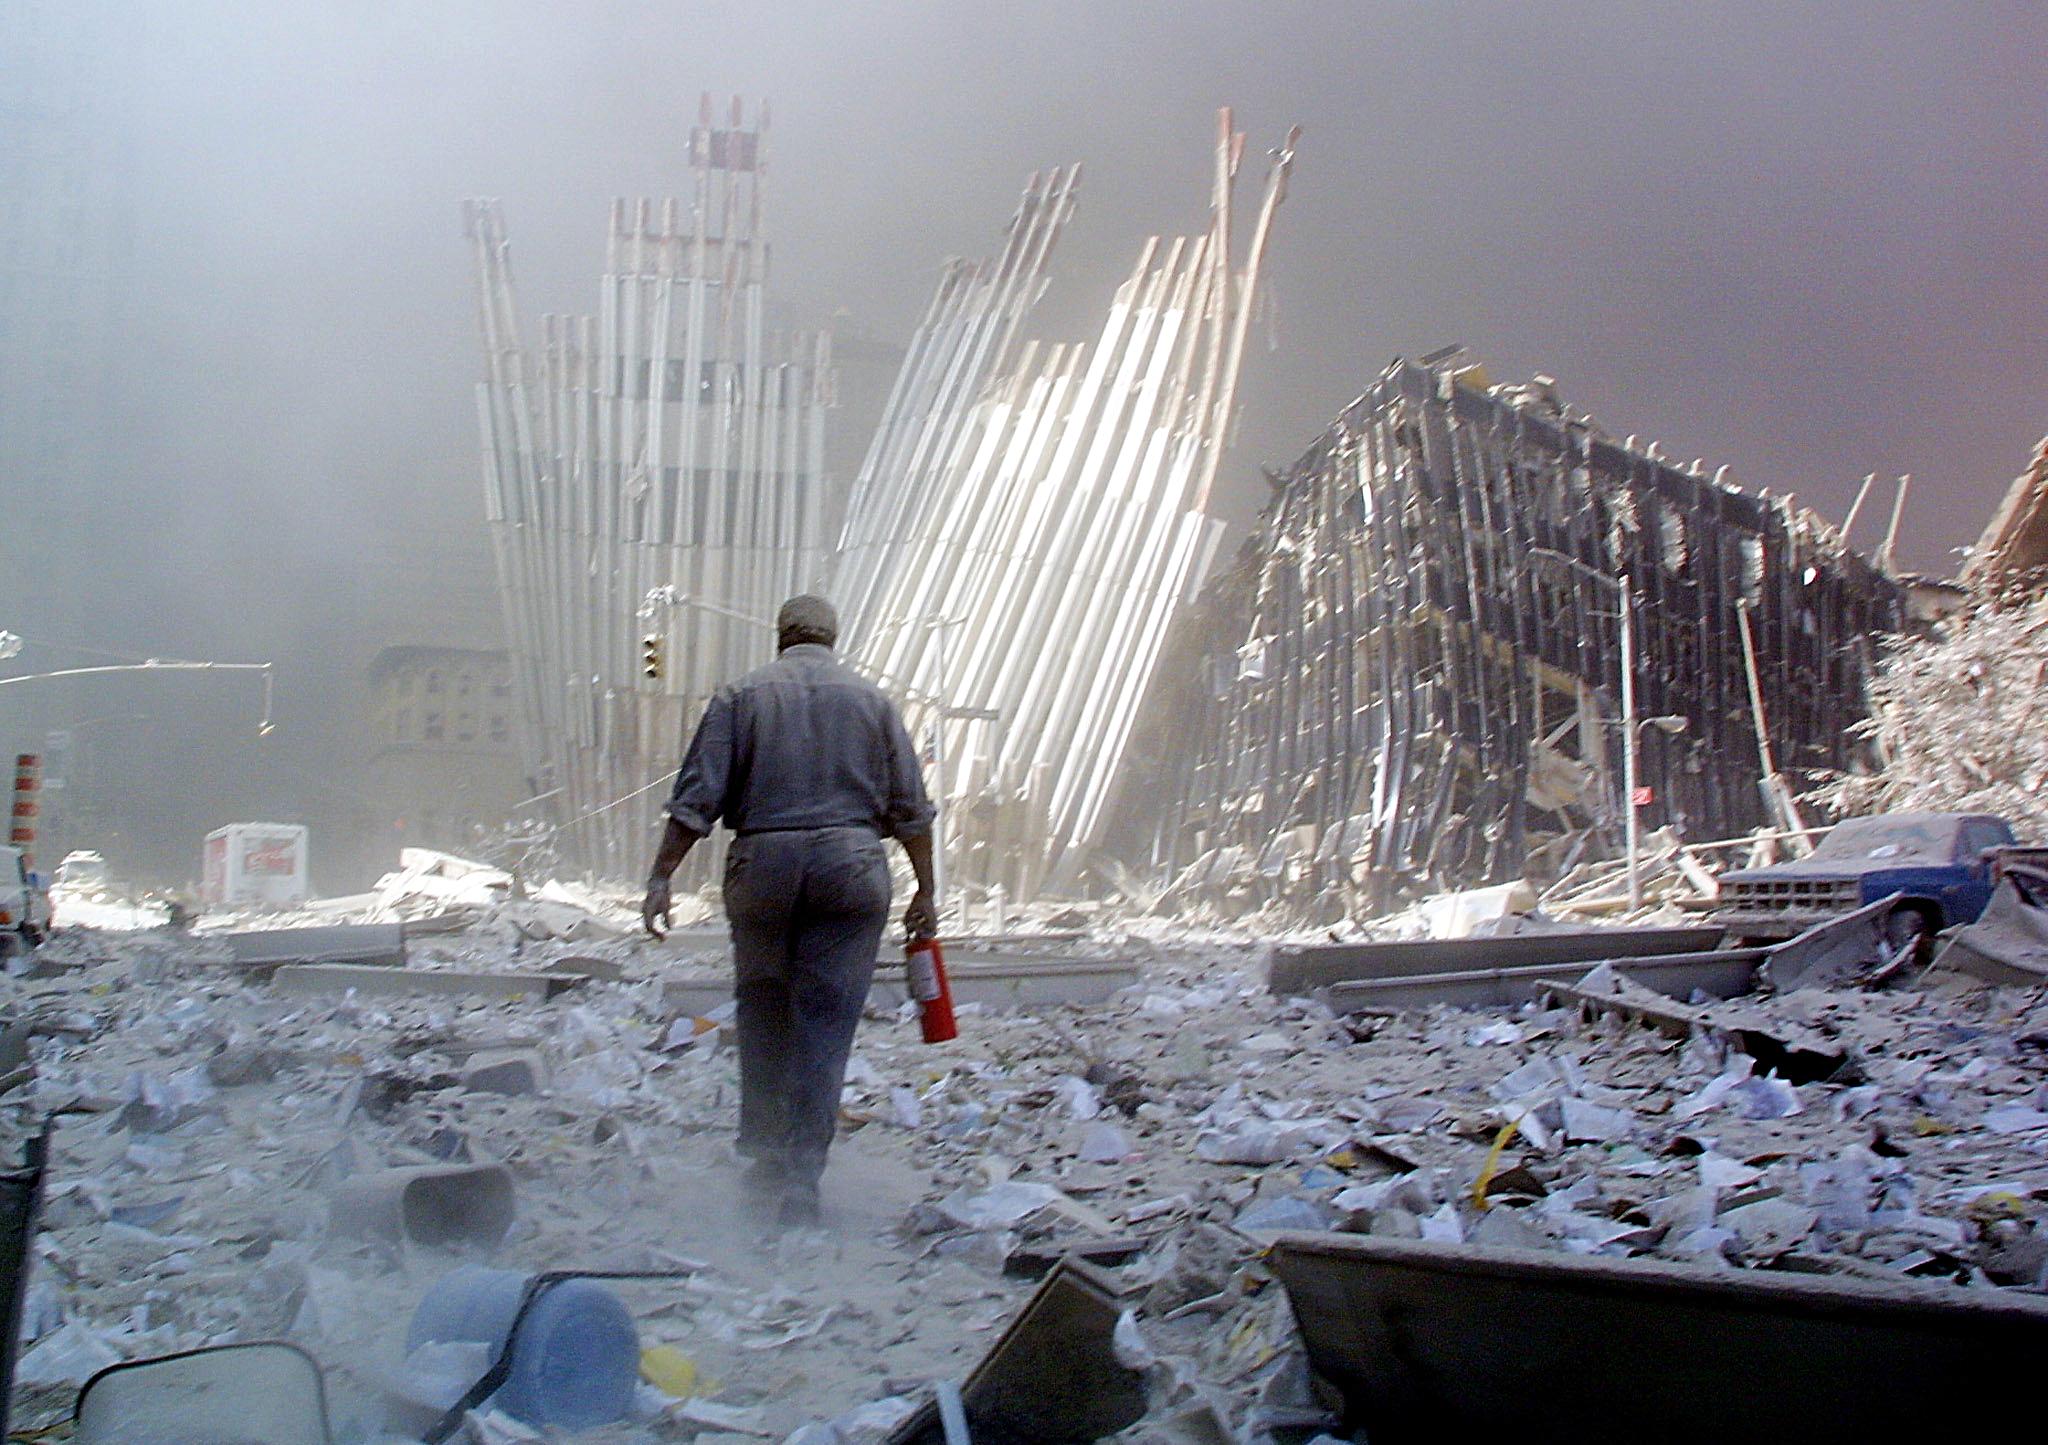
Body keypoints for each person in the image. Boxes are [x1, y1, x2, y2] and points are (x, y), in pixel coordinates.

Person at [642, 594, 937, 1229]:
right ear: (834, 638)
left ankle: (765, 1160)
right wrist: (926, 891)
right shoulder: (874, 702)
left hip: (764, 866)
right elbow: (912, 810)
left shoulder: (739, 697)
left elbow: (696, 800)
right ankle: (803, 1179)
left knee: (764, 1012)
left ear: (780, 637)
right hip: (851, 867)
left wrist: (662, 877)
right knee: (826, 1023)